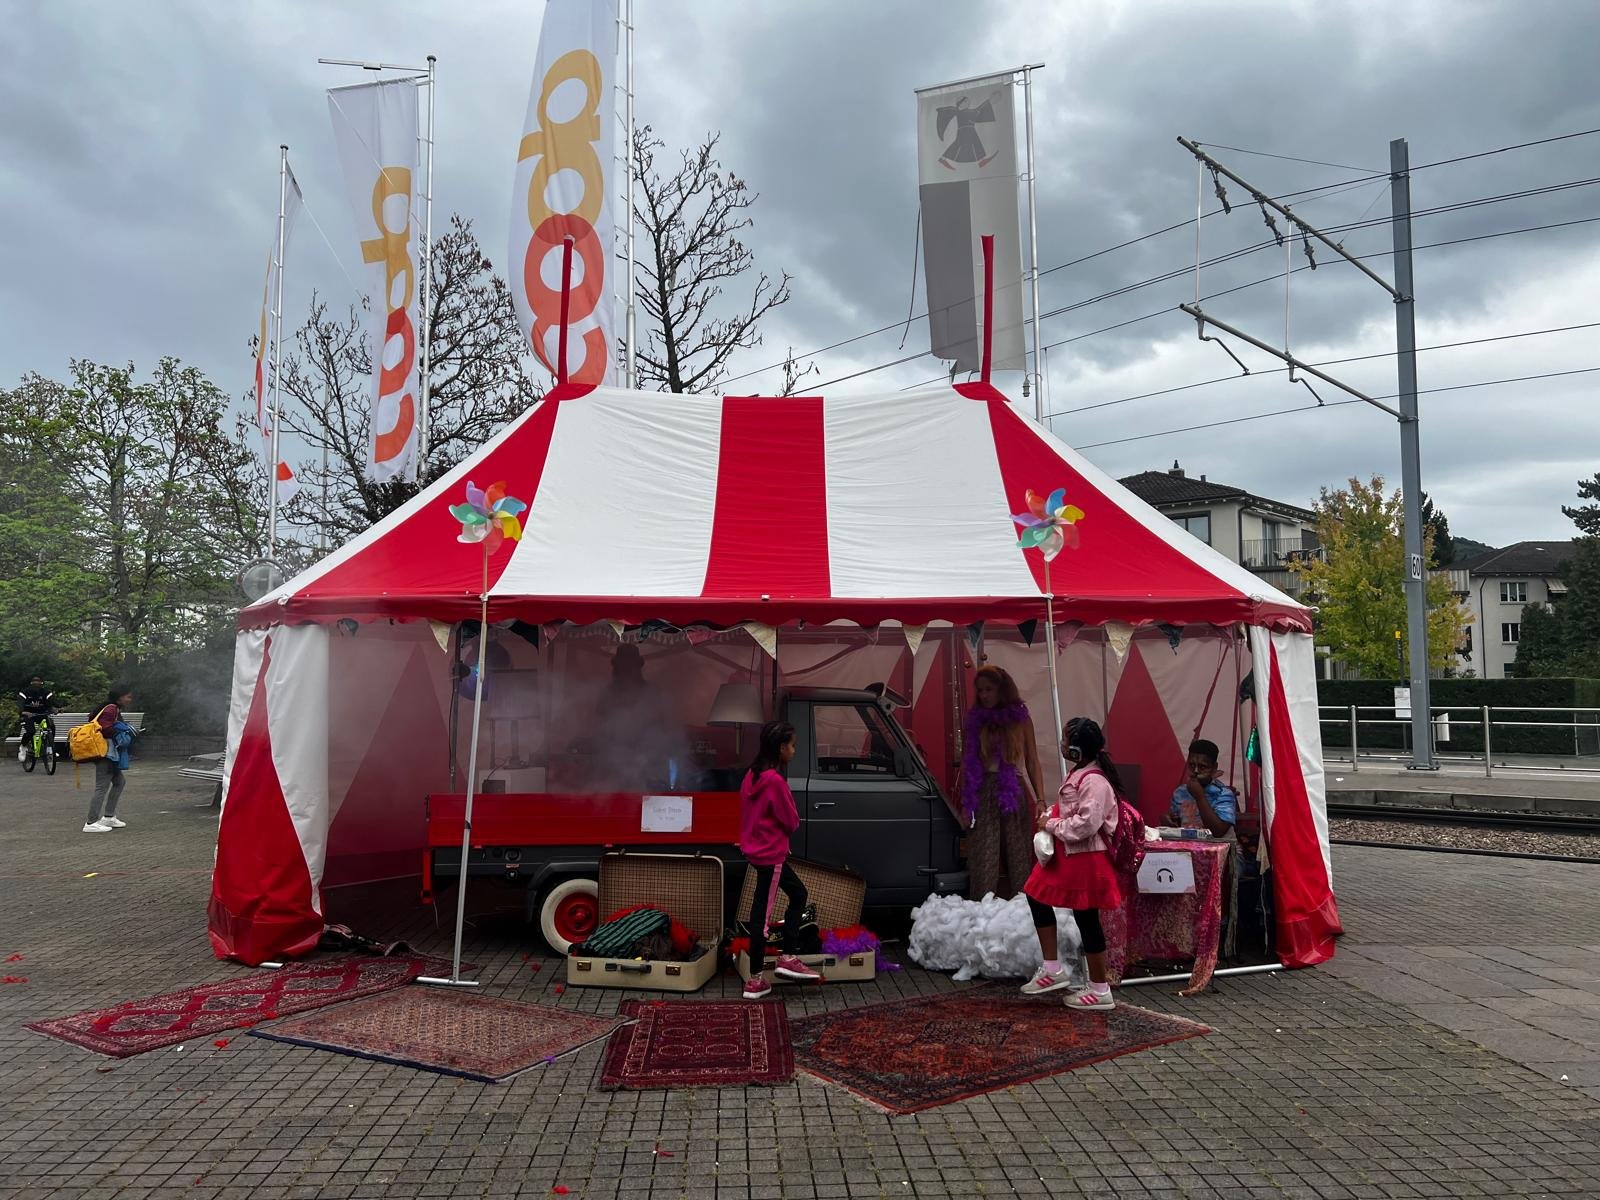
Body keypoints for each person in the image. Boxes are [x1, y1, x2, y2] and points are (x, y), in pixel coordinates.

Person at [1021, 716, 1125, 1010]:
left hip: (1086, 859)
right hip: (1069, 856)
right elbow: (1072, 810)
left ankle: (1100, 989)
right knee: (1035, 894)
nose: (1062, 745)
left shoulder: (1094, 781)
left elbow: (1086, 824)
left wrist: (1052, 825)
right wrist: (1052, 817)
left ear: (1078, 751)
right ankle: (1053, 969)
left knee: (1087, 918)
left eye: (1067, 741)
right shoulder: (1080, 774)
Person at [737, 720, 822, 999]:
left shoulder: (751, 775)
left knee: (798, 894)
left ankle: (788, 954)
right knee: (762, 916)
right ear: (781, 747)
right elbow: (792, 821)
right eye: (793, 745)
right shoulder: (774, 781)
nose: (794, 751)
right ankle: (756, 981)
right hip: (771, 854)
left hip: (758, 851)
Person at [960, 665, 1044, 899]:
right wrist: (967, 803)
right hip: (983, 789)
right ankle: (981, 911)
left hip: (1012, 789)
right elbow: (969, 762)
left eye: (989, 689)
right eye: (980, 691)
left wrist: (1040, 800)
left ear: (1002, 690)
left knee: (1018, 855)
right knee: (984, 856)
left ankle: (1023, 911)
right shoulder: (976, 719)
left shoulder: (1020, 718)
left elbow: (1032, 760)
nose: (984, 695)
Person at [84, 685, 136, 834]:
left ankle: (108, 816)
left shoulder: (111, 708)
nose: (129, 699)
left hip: (109, 752)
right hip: (105, 752)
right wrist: (124, 729)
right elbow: (104, 728)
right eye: (128, 696)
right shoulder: (111, 708)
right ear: (120, 697)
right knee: (102, 786)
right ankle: (91, 821)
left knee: (120, 782)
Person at [1168, 739, 1238, 837]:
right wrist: (1167, 820)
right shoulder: (1180, 792)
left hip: (1221, 850)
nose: (1195, 771)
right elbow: (1176, 823)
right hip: (1187, 848)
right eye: (1192, 765)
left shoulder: (1224, 794)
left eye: (1202, 767)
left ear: (1214, 767)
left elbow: (1218, 831)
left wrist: (1199, 797)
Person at [17, 675, 55, 761]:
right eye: (34, 681)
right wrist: (23, 712)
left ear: (42, 683)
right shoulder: (25, 692)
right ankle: (23, 747)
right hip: (28, 715)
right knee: (31, 731)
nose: (36, 683)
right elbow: (20, 705)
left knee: (51, 726)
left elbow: (51, 705)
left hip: (41, 714)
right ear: (31, 682)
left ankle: (49, 748)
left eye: (38, 681)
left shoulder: (46, 692)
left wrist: (56, 709)